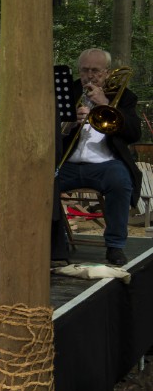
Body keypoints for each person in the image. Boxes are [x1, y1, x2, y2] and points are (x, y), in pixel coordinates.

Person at [56, 48, 142, 266]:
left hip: (106, 165)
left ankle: (115, 246)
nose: (90, 75)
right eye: (85, 70)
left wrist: (105, 103)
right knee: (42, 182)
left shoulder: (124, 97)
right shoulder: (68, 92)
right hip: (68, 163)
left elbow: (134, 133)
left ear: (107, 72)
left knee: (120, 181)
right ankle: (55, 245)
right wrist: (69, 123)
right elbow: (49, 131)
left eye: (96, 71)